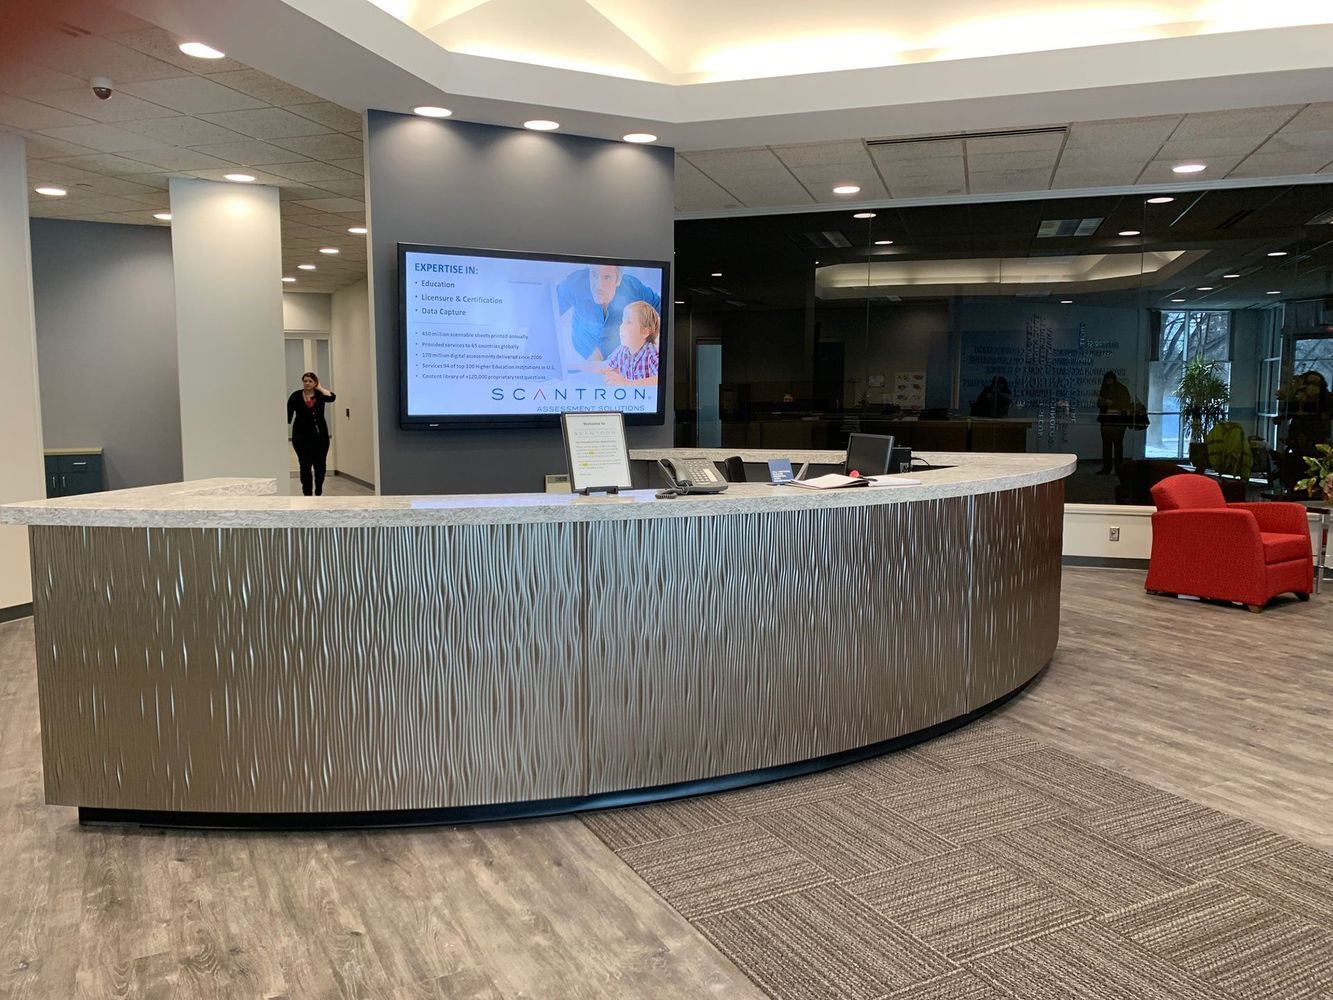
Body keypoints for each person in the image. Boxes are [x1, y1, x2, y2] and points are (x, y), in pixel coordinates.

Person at [556, 264, 661, 362]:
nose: (598, 286)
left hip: (619, 354)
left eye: (607, 278)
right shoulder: (575, 284)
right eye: (594, 275)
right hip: (582, 349)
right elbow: (549, 309)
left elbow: (660, 306)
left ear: (618, 280)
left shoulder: (632, 289)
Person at [287, 371, 336, 496]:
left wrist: (320, 388)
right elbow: (287, 415)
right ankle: (307, 493)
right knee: (305, 465)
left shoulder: (320, 395)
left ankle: (318, 489)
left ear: (315, 383)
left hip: (320, 437)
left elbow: (332, 397)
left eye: (310, 381)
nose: (307, 383)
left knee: (320, 465)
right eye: (305, 381)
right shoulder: (295, 396)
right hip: (301, 437)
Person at [600, 301, 660, 386]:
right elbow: (606, 366)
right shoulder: (622, 350)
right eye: (622, 321)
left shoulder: (651, 354)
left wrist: (627, 383)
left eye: (629, 322)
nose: (621, 327)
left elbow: (660, 378)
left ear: (645, 332)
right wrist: (581, 366)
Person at [1096, 370, 1132, 475]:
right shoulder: (1106, 389)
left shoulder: (1121, 389)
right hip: (1107, 420)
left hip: (1117, 421)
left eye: (1110, 380)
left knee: (1117, 445)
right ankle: (1107, 468)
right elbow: (1100, 405)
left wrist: (1112, 403)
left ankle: (1117, 469)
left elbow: (1125, 403)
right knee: (1107, 445)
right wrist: (1102, 402)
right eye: (1107, 380)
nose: (1108, 382)